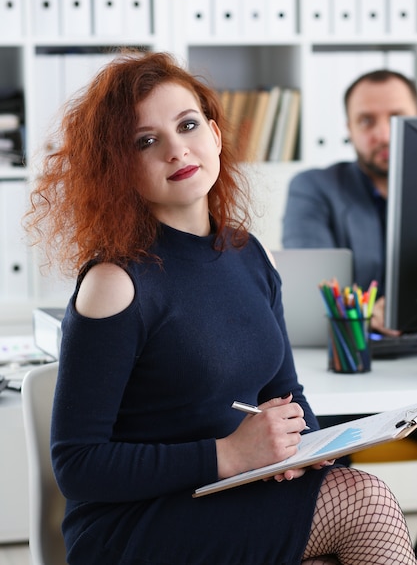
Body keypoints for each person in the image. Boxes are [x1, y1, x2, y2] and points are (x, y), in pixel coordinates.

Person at [24, 51, 417, 564]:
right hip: (133, 524)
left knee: (339, 525)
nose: (176, 149)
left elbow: (287, 394)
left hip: (228, 498)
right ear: (120, 166)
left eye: (187, 125)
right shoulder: (113, 282)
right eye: (147, 141)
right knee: (365, 502)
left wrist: (312, 456)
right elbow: (77, 464)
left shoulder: (250, 254)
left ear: (214, 134)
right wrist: (230, 455)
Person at [282, 69, 417, 336]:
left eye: (397, 118)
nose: (384, 134)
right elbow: (312, 293)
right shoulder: (312, 187)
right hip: (353, 351)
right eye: (366, 121)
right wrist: (366, 314)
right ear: (349, 130)